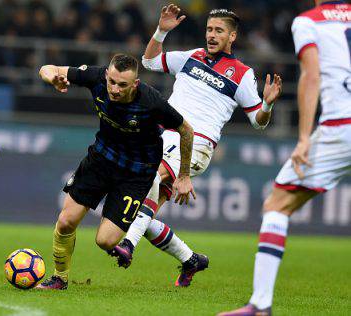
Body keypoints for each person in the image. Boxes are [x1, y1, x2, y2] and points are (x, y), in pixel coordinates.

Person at [110, 5, 283, 287]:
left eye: (219, 31)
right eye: (209, 29)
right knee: (142, 213)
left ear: (232, 36)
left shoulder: (242, 75)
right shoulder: (192, 57)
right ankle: (191, 260)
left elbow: (258, 122)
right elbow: (150, 60)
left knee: (149, 179)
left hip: (197, 144)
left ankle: (128, 246)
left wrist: (266, 103)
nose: (212, 36)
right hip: (163, 137)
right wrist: (162, 31)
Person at [218, 1, 351, 315]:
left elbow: (311, 76)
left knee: (277, 204)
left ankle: (260, 305)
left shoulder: (308, 22)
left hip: (340, 128)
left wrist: (304, 138)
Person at [36, 53, 196, 290]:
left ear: (135, 84)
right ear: (107, 75)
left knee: (105, 241)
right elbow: (47, 67)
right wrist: (52, 79)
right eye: (112, 82)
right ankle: (60, 279)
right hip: (101, 160)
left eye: (122, 85)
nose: (115, 89)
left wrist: (183, 176)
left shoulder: (152, 102)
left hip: (135, 175)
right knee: (66, 221)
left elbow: (187, 130)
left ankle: (184, 256)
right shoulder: (97, 77)